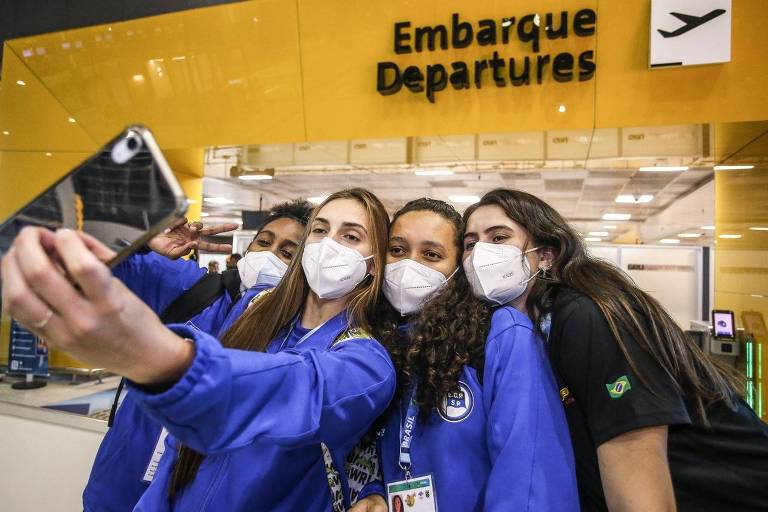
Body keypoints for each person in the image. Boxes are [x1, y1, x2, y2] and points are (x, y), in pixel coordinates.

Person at [461, 189, 768, 512]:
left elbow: (640, 490)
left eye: (498, 238)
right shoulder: (529, 331)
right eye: (470, 244)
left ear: (546, 255)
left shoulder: (586, 316)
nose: (481, 252)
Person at [81, 199, 312, 512]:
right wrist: (142, 244)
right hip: (117, 490)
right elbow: (91, 262)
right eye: (264, 242)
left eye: (287, 253)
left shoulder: (296, 341)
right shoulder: (194, 291)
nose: (269, 256)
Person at [350, 198, 578, 511]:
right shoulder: (384, 344)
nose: (409, 266)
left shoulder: (499, 335)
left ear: (458, 269)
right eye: (398, 250)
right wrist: (376, 492)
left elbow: (528, 472)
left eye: (431, 255)